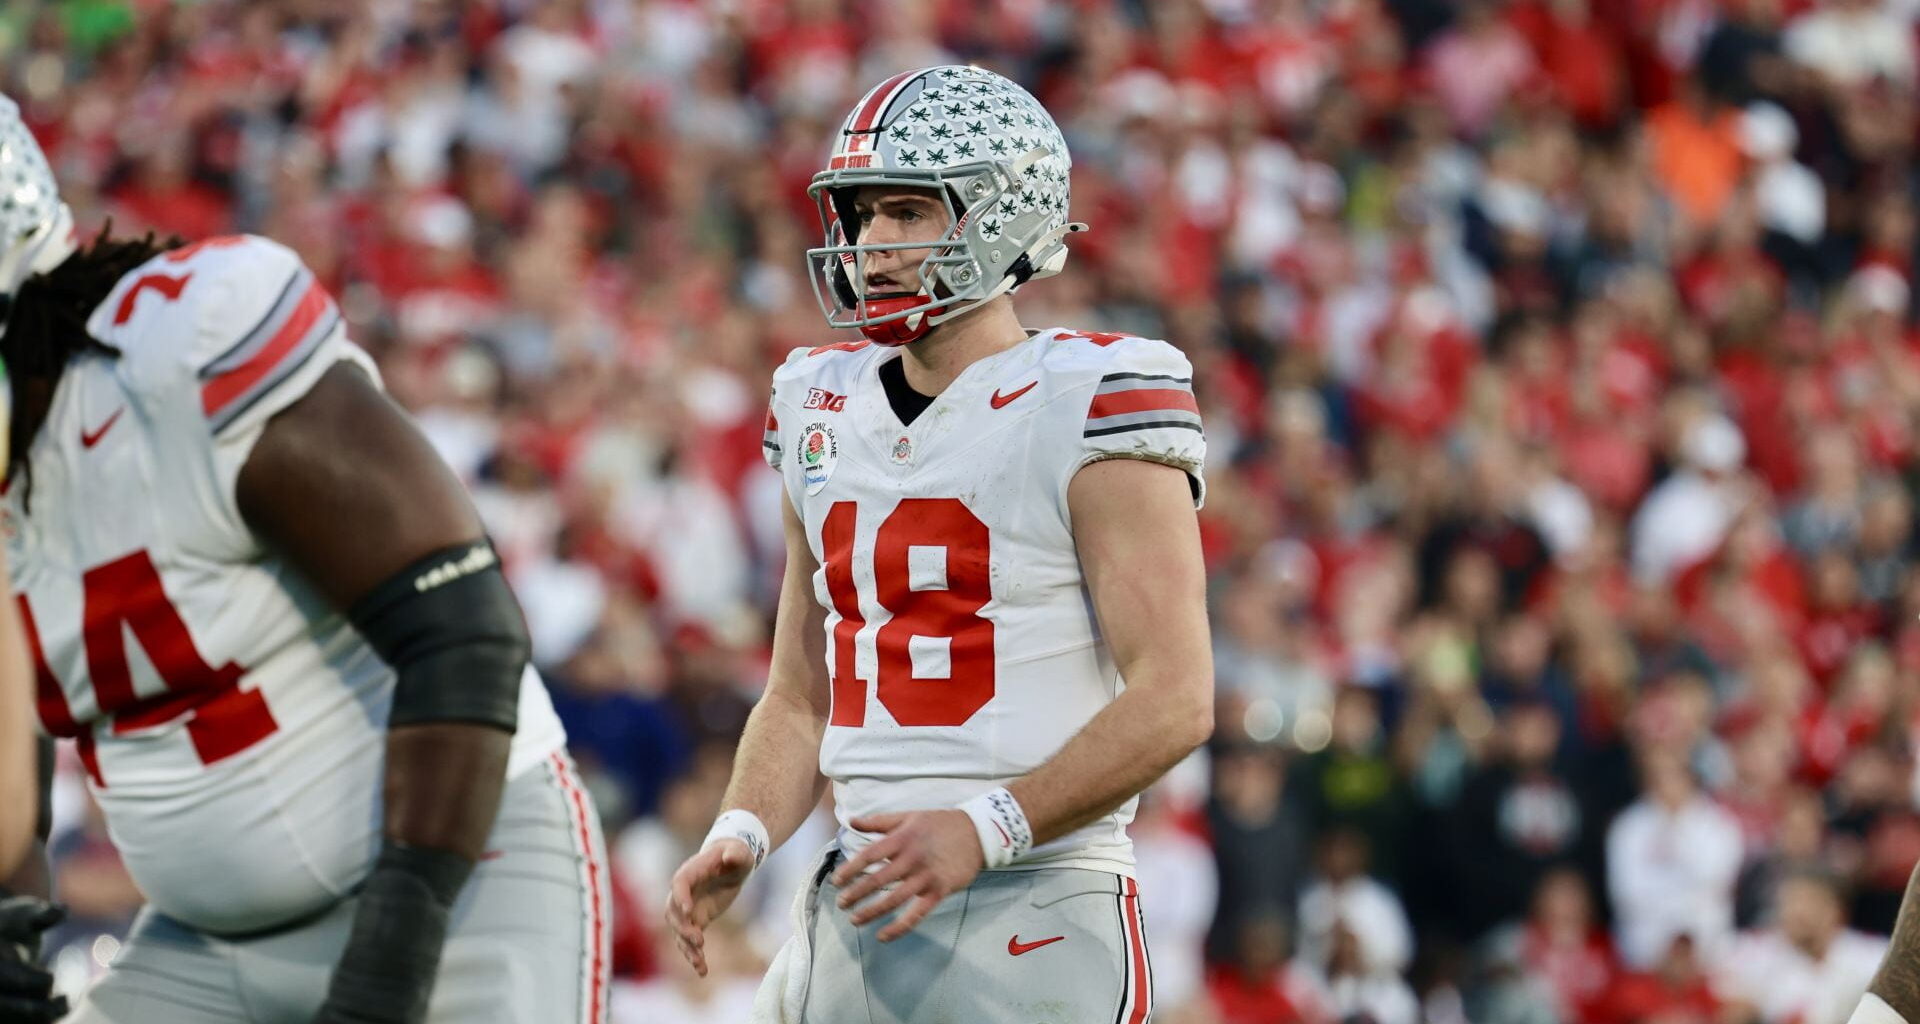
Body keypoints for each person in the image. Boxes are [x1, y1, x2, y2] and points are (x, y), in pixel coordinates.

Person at [0, 93, 610, 1023]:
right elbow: (10, 807)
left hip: (456, 885)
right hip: (200, 943)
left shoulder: (174, 355)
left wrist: (382, 977)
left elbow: (466, 635)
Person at [664, 64, 1214, 1023]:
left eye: (909, 212)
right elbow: (802, 693)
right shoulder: (817, 403)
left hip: (1037, 902)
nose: (873, 244)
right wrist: (744, 830)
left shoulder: (1094, 398)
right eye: (864, 215)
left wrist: (985, 826)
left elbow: (1179, 695)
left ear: (1004, 213)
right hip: (857, 901)